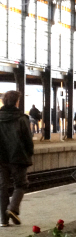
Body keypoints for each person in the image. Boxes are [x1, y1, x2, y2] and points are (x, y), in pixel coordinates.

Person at [0, 91, 34, 227]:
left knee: (2, 187)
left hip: (1, 158)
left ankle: (3, 220)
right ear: (16, 102)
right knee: (21, 184)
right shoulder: (21, 118)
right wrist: (29, 153)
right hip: (18, 157)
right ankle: (12, 208)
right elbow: (28, 140)